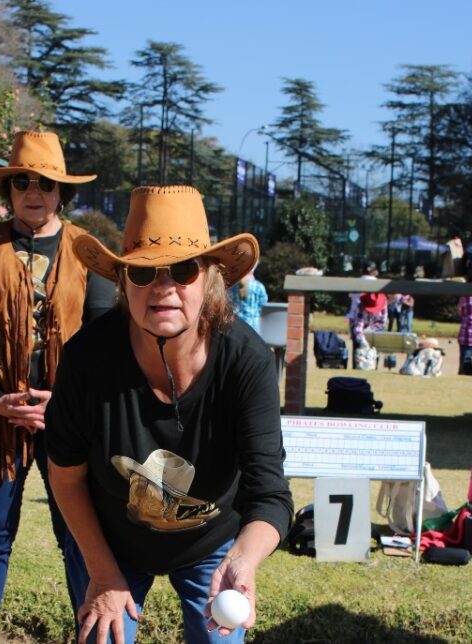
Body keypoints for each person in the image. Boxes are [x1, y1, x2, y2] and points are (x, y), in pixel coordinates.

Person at [46, 185, 294, 644]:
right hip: (109, 538)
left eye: (183, 270)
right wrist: (103, 573)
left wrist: (242, 559)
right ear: (123, 282)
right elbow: (65, 477)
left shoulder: (247, 361)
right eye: (143, 272)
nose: (163, 288)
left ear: (210, 278)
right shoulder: (86, 359)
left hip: (212, 541)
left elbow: (271, 495)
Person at [0, 130, 115, 643]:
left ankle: (93, 636)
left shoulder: (86, 250)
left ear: (61, 191)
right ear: (9, 190)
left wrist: (63, 401)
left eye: (45, 182)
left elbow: (102, 338)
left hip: (69, 420)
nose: (33, 191)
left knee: (78, 537)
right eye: (22, 182)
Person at [345, 260, 379, 367]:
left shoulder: (357, 282)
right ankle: (372, 365)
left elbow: (351, 298)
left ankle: (356, 365)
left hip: (355, 316)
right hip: (372, 317)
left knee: (357, 344)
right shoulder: (377, 282)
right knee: (372, 344)